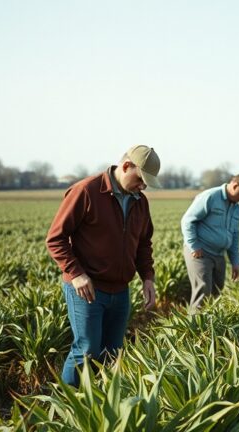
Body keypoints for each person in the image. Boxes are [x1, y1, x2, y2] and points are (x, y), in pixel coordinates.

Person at [46, 145, 160, 387]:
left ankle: (98, 406)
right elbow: (55, 239)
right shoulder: (86, 191)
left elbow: (143, 244)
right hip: (87, 290)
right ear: (126, 166)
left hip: (120, 290)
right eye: (141, 179)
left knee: (113, 353)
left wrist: (147, 277)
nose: (143, 186)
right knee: (85, 350)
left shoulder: (140, 202)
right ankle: (66, 410)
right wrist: (76, 273)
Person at [181, 173, 239, 309]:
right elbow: (187, 220)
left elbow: (235, 235)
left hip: (219, 254)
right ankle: (195, 327)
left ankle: (212, 327)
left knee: (217, 291)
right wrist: (194, 245)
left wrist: (235, 262)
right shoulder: (210, 196)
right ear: (234, 185)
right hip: (200, 252)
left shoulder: (236, 208)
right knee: (203, 291)